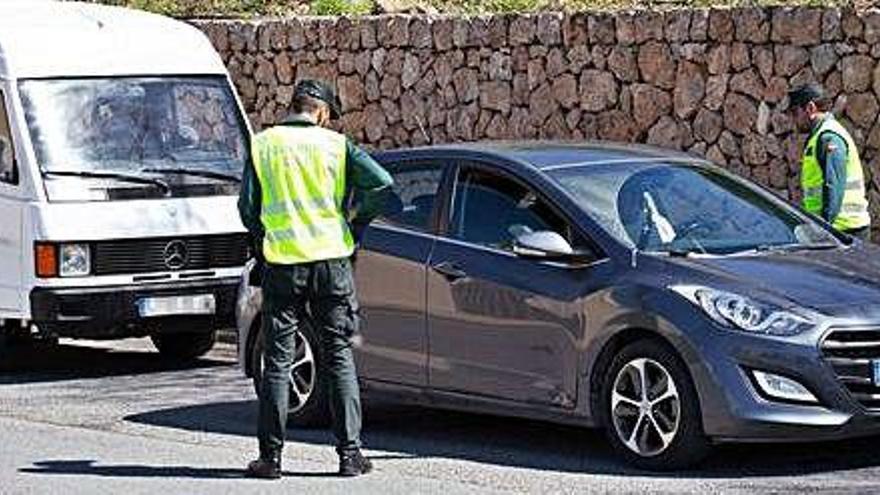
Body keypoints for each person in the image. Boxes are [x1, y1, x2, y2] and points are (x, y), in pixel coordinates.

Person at [238, 79, 393, 479]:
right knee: (339, 355)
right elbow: (381, 183)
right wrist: (353, 224)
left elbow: (247, 208)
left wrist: (263, 241)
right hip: (331, 263)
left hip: (283, 264)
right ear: (322, 112)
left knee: (277, 360)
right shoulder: (336, 146)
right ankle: (350, 455)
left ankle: (270, 460)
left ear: (294, 106)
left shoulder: (263, 145)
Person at [788, 83, 872, 241]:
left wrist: (824, 231)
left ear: (810, 108)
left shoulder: (828, 138)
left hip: (844, 231)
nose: (793, 120)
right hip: (837, 229)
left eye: (794, 112)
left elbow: (834, 188)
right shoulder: (819, 136)